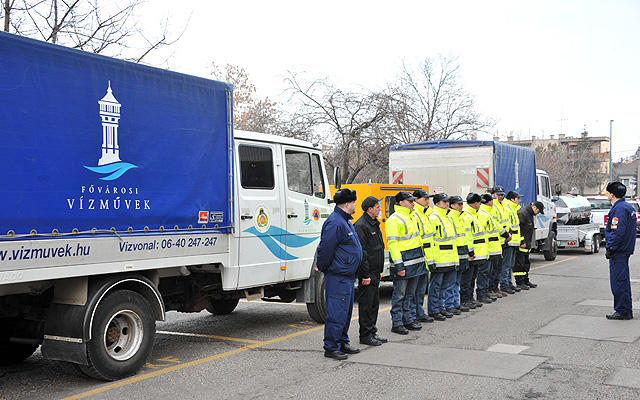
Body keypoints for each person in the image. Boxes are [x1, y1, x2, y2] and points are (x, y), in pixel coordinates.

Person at [316, 188, 363, 360]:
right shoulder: (335, 222)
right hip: (338, 276)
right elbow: (325, 249)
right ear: (348, 204)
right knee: (336, 312)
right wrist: (323, 266)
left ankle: (342, 341)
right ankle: (331, 347)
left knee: (345, 311)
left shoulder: (344, 221)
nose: (355, 205)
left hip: (347, 276)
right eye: (354, 203)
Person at [387, 191, 425, 334]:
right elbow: (393, 245)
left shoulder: (411, 217)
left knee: (410, 294)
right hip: (404, 264)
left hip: (415, 263)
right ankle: (397, 323)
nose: (413, 203)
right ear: (401, 203)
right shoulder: (394, 219)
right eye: (410, 201)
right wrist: (399, 266)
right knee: (400, 295)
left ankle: (408, 320)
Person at [354, 196, 388, 345]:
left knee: (374, 304)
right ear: (370, 209)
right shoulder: (361, 225)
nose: (379, 209)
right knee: (366, 304)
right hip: (368, 273)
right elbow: (362, 252)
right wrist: (365, 274)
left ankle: (372, 332)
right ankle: (365, 335)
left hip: (375, 271)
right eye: (377, 207)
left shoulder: (374, 223)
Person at [604, 182, 637, 320]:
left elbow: (617, 231)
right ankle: (625, 308)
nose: (606, 195)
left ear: (612, 194)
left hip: (619, 251)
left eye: (607, 193)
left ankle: (623, 310)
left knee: (618, 282)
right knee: (623, 281)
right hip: (624, 250)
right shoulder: (627, 207)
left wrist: (611, 247)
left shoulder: (619, 209)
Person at [428, 193, 459, 320]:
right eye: (444, 202)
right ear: (437, 204)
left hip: (449, 258)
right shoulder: (434, 217)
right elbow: (431, 240)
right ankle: (434, 310)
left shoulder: (448, 217)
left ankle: (441, 307)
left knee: (444, 286)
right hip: (440, 259)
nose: (447, 204)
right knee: (436, 286)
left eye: (447, 202)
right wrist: (432, 259)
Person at [445, 195, 473, 314]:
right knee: (451, 282)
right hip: (455, 253)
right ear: (452, 205)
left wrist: (469, 251)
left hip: (462, 252)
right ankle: (449, 304)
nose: (461, 206)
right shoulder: (450, 217)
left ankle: (455, 303)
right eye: (458, 204)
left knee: (457, 281)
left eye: (462, 204)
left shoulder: (461, 217)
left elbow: (466, 237)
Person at [411, 189, 435, 324]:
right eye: (425, 199)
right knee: (415, 289)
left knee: (421, 289)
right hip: (419, 255)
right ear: (416, 200)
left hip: (426, 256)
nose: (427, 201)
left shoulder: (425, 214)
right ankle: (414, 314)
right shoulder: (415, 215)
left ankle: (419, 312)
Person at [461, 193, 488, 309]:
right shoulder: (468, 216)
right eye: (480, 202)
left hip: (477, 253)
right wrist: (470, 252)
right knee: (467, 279)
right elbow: (468, 237)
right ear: (476, 203)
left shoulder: (473, 214)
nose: (481, 204)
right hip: (472, 254)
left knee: (472, 278)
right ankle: (465, 300)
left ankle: (470, 298)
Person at [477, 194, 504, 303]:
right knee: (485, 272)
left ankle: (487, 291)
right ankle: (483, 292)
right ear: (489, 202)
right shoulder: (484, 214)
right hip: (487, 249)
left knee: (490, 271)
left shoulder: (487, 212)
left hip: (492, 248)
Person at [513, 201, 544, 290]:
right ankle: (520, 282)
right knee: (519, 264)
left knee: (526, 263)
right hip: (521, 244)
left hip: (526, 244)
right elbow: (518, 229)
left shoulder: (529, 214)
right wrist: (521, 241)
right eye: (538, 211)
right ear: (534, 207)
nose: (538, 214)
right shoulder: (523, 213)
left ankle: (525, 281)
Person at [501, 191, 525, 293]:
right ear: (512, 199)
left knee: (510, 265)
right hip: (509, 242)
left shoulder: (513, 209)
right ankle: (504, 284)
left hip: (514, 242)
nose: (519, 200)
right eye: (517, 198)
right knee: (506, 265)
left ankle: (509, 284)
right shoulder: (508, 209)